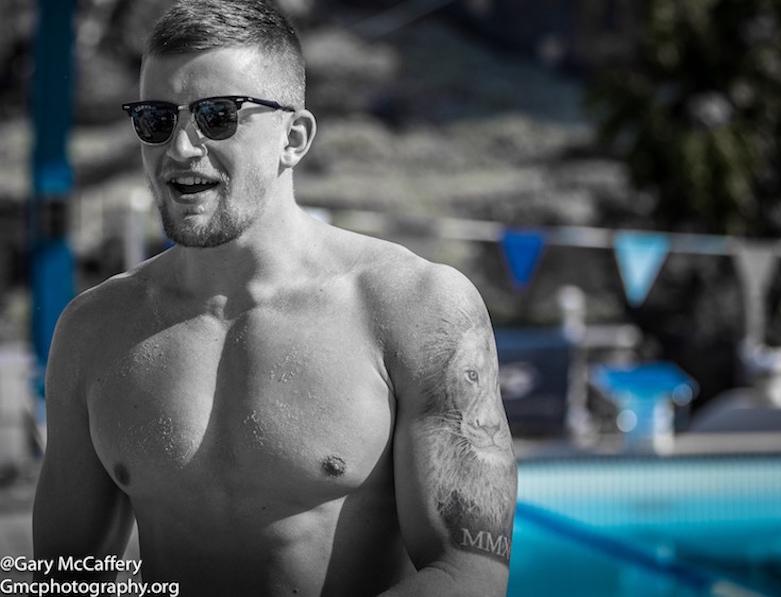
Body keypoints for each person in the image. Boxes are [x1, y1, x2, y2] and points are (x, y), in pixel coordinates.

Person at [32, 1, 518, 595]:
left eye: (217, 116)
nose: (181, 147)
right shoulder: (94, 330)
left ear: (294, 137)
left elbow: (469, 572)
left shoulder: (415, 307)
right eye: (156, 119)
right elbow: (64, 575)